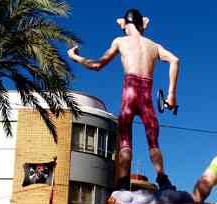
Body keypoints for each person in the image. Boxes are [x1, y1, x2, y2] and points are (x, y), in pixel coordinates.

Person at [67, 8, 180, 191]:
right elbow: (175, 60)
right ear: (141, 25)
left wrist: (75, 57)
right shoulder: (154, 46)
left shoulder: (120, 41)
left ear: (125, 25)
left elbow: (97, 65)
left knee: (125, 141)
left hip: (129, 96)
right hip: (146, 98)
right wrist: (171, 94)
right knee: (153, 142)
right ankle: (163, 179)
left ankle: (122, 184)